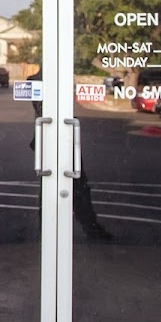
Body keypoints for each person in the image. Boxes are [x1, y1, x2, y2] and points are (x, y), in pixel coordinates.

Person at [27, 71, 111, 241]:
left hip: (59, 138)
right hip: (54, 139)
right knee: (67, 186)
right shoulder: (42, 81)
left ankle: (82, 228)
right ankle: (60, 231)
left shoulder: (44, 80)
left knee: (71, 185)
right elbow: (44, 109)